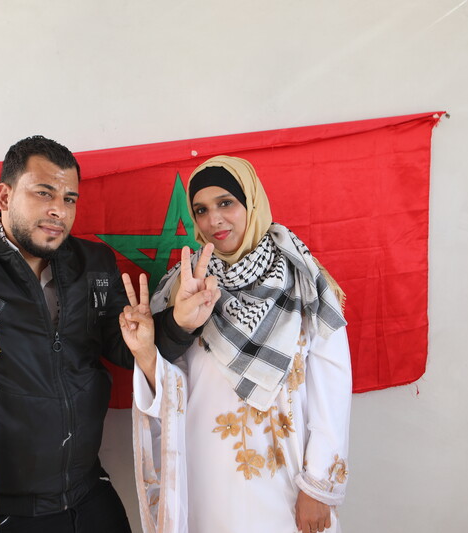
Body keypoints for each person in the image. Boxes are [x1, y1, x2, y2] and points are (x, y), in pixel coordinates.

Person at [0, 136, 218, 533]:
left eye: (69, 198)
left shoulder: (94, 263)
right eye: (44, 193)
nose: (58, 210)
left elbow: (126, 349)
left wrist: (180, 322)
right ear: (3, 196)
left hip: (87, 490)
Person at [118, 156, 352, 533]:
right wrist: (147, 352)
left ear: (251, 203)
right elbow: (176, 385)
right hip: (207, 481)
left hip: (286, 481)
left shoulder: (305, 279)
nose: (215, 220)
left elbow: (333, 389)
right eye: (201, 210)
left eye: (226, 203)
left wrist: (319, 487)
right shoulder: (183, 286)